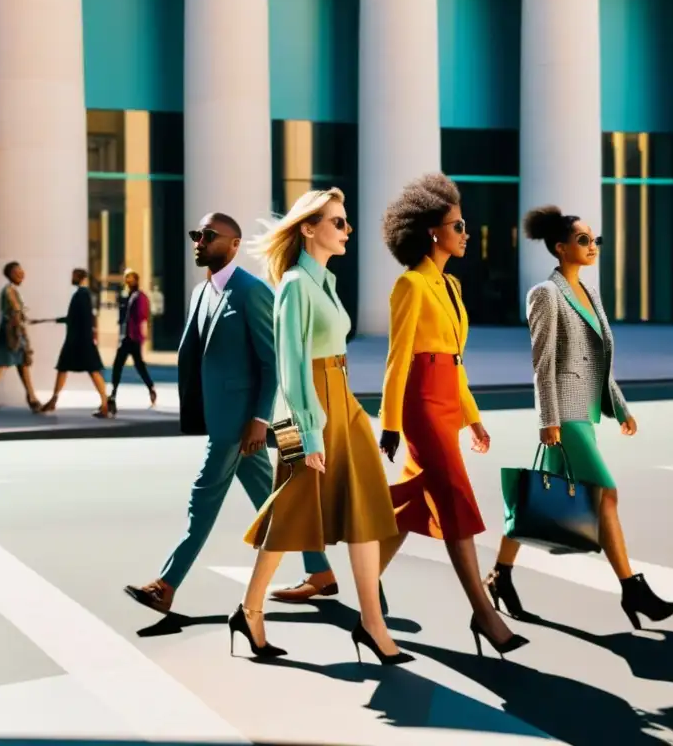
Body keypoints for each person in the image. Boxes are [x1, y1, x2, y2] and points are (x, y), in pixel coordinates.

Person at [484, 205, 673, 631]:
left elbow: (599, 362)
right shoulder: (546, 293)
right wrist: (547, 418)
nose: (592, 246)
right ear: (559, 248)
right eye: (583, 240)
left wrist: (621, 406)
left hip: (588, 411)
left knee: (532, 500)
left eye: (595, 240)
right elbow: (543, 362)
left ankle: (500, 573)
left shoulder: (591, 295)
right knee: (606, 493)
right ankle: (633, 589)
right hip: (566, 413)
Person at [124, 213, 333, 615]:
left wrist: (259, 419)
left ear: (234, 244)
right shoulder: (201, 293)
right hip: (221, 418)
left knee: (202, 500)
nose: (198, 241)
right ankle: (319, 569)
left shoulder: (250, 292)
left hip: (240, 425)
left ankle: (166, 585)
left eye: (208, 235)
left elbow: (274, 362)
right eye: (195, 234)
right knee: (270, 498)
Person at [235, 188, 410, 665]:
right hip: (303, 409)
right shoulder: (294, 284)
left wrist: (350, 410)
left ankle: (372, 623)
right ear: (308, 229)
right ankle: (250, 610)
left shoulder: (326, 282)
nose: (346, 229)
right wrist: (310, 432)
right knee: (291, 513)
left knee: (365, 507)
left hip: (340, 400)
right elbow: (291, 368)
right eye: (337, 221)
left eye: (346, 221)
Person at [375, 172, 528, 658]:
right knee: (456, 500)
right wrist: (391, 422)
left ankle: (359, 588)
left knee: (410, 507)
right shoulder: (411, 285)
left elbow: (456, 360)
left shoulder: (452, 286)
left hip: (446, 398)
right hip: (419, 402)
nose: (465, 233)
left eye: (464, 225)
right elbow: (399, 357)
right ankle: (484, 614)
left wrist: (474, 417)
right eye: (457, 226)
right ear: (432, 233)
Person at [38, 268, 111, 417]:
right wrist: (51, 320)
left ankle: (105, 405)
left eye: (75, 276)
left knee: (90, 370)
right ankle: (54, 400)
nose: (72, 278)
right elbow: (76, 318)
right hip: (79, 340)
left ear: (82, 278)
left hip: (79, 341)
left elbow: (83, 319)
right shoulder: (82, 294)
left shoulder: (82, 295)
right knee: (68, 368)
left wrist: (88, 339)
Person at [0, 261, 42, 411]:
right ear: (10, 275)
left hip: (15, 333)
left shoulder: (12, 290)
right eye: (18, 273)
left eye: (22, 272)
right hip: (11, 335)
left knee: (23, 365)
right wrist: (21, 321)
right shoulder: (9, 291)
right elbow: (14, 310)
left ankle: (32, 398)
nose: (22, 275)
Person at [107, 268, 156, 414]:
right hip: (125, 337)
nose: (127, 280)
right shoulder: (127, 296)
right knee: (118, 365)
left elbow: (143, 317)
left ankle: (150, 388)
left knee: (138, 365)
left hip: (133, 337)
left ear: (136, 280)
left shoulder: (140, 296)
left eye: (130, 278)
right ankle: (113, 395)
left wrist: (142, 334)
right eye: (126, 278)